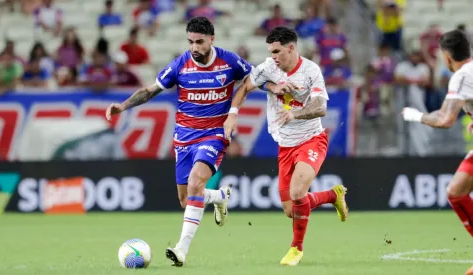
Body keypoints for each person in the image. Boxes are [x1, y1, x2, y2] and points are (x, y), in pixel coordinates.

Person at [105, 17, 253, 267]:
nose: (194, 47)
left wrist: (235, 112)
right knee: (186, 200)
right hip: (184, 138)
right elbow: (150, 90)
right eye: (191, 42)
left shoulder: (229, 61)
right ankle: (217, 197)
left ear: (212, 40)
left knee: (196, 181)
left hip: (214, 134)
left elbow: (253, 78)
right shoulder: (180, 65)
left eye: (200, 42)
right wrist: (123, 106)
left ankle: (181, 249)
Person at [223, 26, 349, 266]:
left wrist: (296, 115)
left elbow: (321, 107)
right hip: (285, 146)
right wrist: (232, 113)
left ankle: (296, 249)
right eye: (270, 52)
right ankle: (332, 195)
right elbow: (245, 87)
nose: (273, 57)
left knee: (298, 192)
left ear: (291, 48)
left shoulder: (311, 71)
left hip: (311, 139)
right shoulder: (269, 68)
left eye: (277, 52)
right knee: (292, 209)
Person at [402, 30, 473, 274]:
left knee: (456, 192)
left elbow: (445, 120)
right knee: (456, 191)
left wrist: (417, 116)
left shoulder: (462, 76)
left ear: (446, 56)